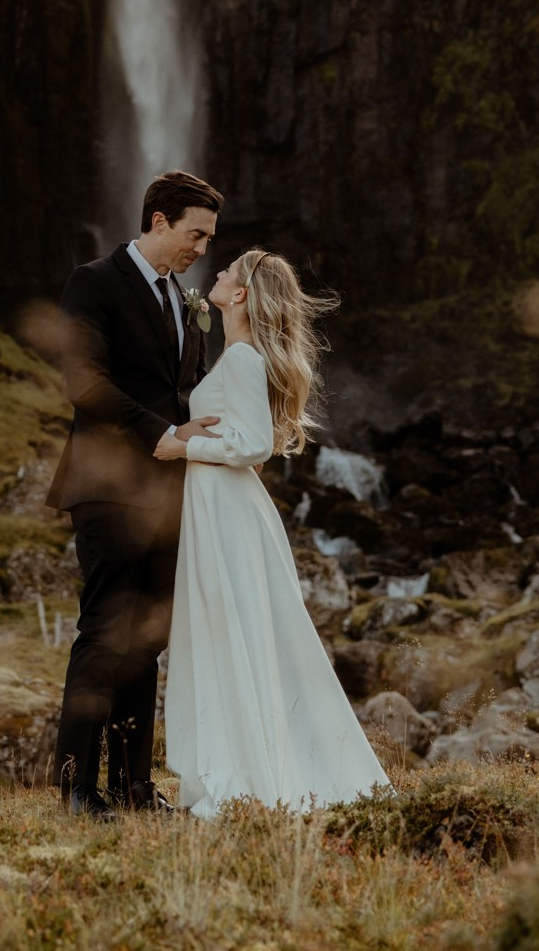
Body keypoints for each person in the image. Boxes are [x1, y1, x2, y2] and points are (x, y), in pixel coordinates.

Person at [157, 246, 389, 819]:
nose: (216, 271)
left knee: (231, 633)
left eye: (228, 269)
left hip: (227, 513)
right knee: (236, 633)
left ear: (240, 295)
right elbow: (249, 444)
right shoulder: (240, 355)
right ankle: (247, 764)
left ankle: (247, 775)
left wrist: (181, 446)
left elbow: (253, 447)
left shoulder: (242, 359)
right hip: (225, 507)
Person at [46, 171, 223, 816]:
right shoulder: (92, 283)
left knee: (146, 641)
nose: (201, 249)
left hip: (170, 492)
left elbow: (187, 390)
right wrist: (162, 433)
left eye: (207, 238)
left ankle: (131, 788)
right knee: (102, 635)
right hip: (109, 487)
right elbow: (83, 383)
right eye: (194, 234)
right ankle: (74, 788)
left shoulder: (185, 300)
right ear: (158, 220)